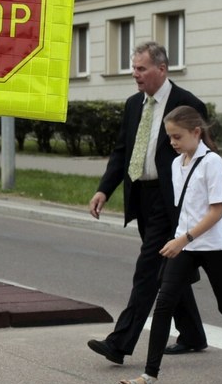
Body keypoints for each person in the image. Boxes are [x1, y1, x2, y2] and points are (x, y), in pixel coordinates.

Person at [118, 105, 222, 384]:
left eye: (177, 136)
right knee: (164, 303)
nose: (172, 142)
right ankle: (149, 377)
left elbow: (217, 212)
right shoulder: (176, 164)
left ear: (196, 132)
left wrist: (185, 239)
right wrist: (178, 239)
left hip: (212, 246)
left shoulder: (212, 162)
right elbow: (184, 209)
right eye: (169, 137)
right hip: (186, 244)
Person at [87, 41, 208, 365]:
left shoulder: (186, 105)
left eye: (141, 69)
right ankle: (194, 333)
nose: (135, 74)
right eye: (133, 68)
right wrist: (104, 190)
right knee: (168, 269)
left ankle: (120, 342)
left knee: (148, 269)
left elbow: (204, 157)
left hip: (171, 203)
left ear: (161, 69)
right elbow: (122, 151)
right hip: (141, 196)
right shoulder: (132, 104)